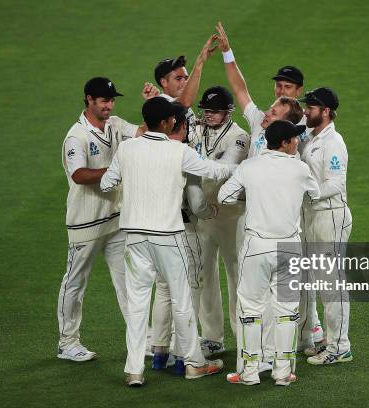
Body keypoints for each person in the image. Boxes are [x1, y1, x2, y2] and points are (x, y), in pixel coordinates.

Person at [100, 97, 236, 386]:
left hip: (133, 237)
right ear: (166, 123)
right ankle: (193, 364)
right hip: (168, 236)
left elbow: (106, 183)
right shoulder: (179, 151)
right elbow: (214, 171)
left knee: (137, 306)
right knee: (182, 301)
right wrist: (242, 169)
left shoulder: (126, 148)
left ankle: (134, 370)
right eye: (172, 119)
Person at [218, 120, 320, 386]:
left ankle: (249, 373)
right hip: (289, 247)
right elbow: (316, 194)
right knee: (287, 311)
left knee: (250, 310)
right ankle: (283, 373)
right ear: (285, 143)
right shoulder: (300, 169)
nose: (298, 142)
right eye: (294, 139)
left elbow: (224, 197)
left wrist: (251, 196)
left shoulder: (249, 167)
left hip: (256, 247)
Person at [57, 77, 142, 362]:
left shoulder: (115, 124)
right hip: (85, 222)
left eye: (112, 100)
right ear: (89, 100)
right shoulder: (76, 136)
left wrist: (160, 102)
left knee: (129, 282)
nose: (109, 105)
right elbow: (79, 175)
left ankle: (140, 338)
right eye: (104, 100)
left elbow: (144, 132)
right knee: (75, 282)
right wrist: (115, 170)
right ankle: (67, 343)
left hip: (116, 220)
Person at [149, 102, 218, 374]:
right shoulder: (183, 154)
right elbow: (196, 201)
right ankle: (184, 358)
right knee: (188, 292)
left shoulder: (148, 150)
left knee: (164, 291)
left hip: (153, 233)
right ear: (180, 125)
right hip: (183, 231)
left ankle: (158, 354)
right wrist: (210, 211)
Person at [188, 86, 250, 357]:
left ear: (228, 111)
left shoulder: (239, 137)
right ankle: (212, 337)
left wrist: (190, 160)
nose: (210, 114)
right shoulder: (198, 130)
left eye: (215, 110)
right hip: (203, 216)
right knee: (204, 275)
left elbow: (226, 166)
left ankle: (243, 336)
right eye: (207, 110)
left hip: (231, 216)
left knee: (237, 274)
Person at [299, 87, 354, 365]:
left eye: (311, 107)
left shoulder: (333, 142)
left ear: (327, 112)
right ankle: (330, 342)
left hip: (329, 216)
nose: (306, 110)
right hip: (314, 216)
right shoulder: (310, 138)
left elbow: (336, 183)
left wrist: (307, 192)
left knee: (331, 284)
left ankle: (340, 346)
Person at [215, 22, 303, 159]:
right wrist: (227, 52)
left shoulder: (303, 132)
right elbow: (240, 90)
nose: (281, 91)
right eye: (278, 85)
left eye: (288, 86)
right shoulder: (261, 120)